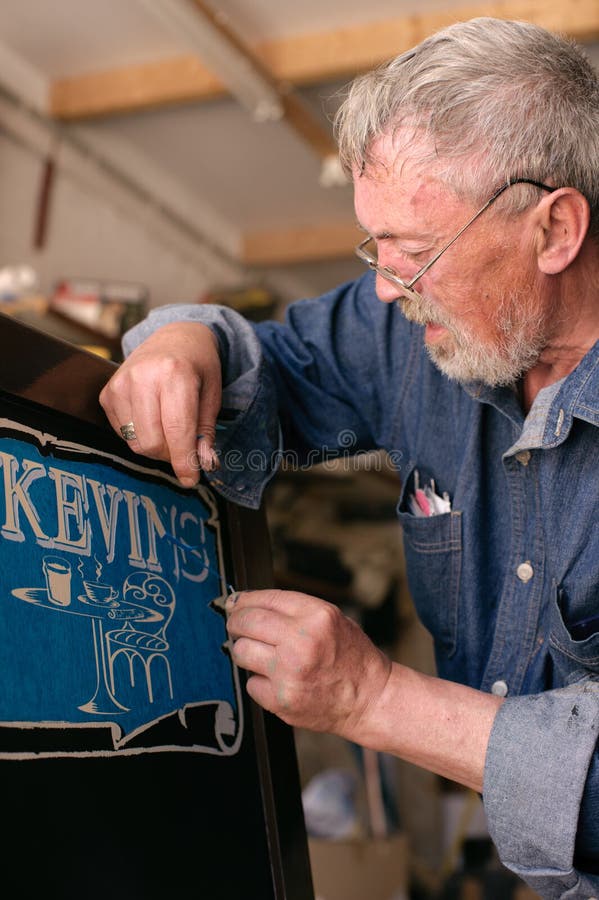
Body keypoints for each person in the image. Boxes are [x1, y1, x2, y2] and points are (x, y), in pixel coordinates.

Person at [99, 17, 599, 897]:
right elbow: (275, 367)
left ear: (554, 229)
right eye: (378, 244)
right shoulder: (412, 332)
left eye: (417, 251)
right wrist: (180, 342)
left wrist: (375, 701)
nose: (385, 286)